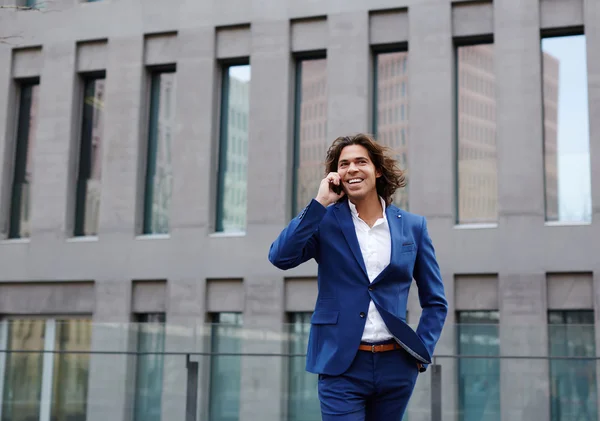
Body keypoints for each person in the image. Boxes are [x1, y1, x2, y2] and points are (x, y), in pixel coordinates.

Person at [269, 133, 448, 421]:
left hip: (396, 365)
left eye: (360, 161)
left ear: (377, 170)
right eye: (344, 164)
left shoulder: (413, 227)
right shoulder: (325, 221)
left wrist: (420, 352)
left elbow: (436, 301)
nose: (352, 168)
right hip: (341, 364)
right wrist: (319, 202)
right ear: (336, 175)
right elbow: (280, 257)